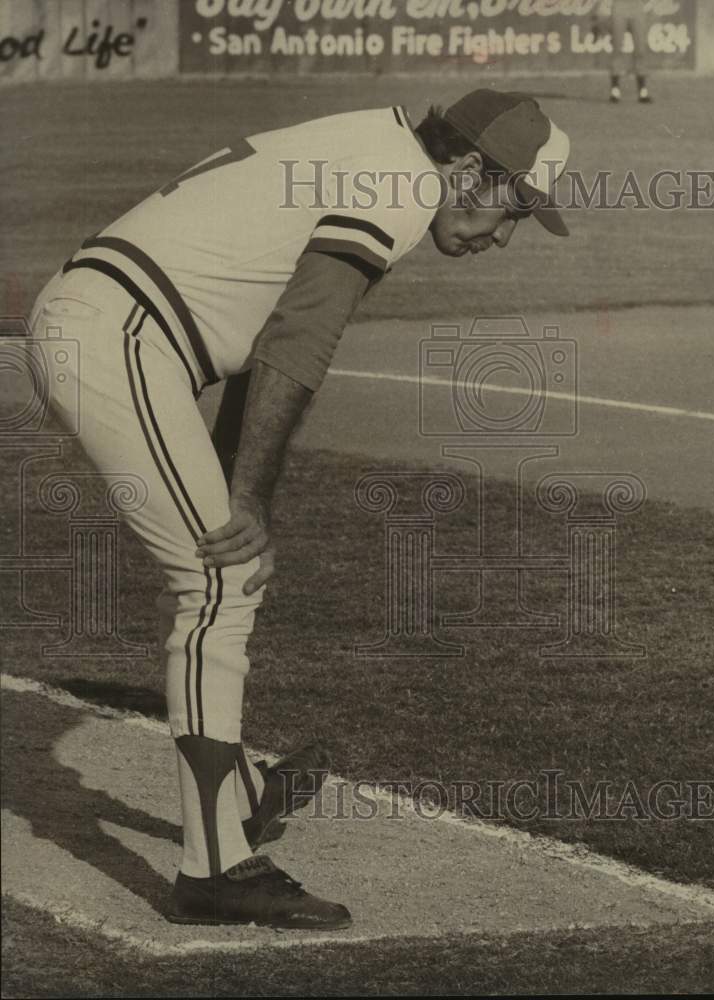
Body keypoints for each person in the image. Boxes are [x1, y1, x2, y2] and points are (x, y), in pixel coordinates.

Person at [28, 89, 570, 930]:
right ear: (468, 168)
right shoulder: (399, 184)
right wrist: (247, 498)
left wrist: (235, 486)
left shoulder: (373, 149)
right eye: (512, 207)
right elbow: (300, 339)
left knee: (224, 571)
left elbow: (267, 335)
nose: (505, 232)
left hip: (113, 324)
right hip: (118, 333)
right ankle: (215, 868)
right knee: (220, 584)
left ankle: (243, 793)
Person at [594, 0, 653, 104]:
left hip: (637, 6)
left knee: (640, 49)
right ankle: (615, 90)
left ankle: (642, 91)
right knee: (617, 47)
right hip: (619, 5)